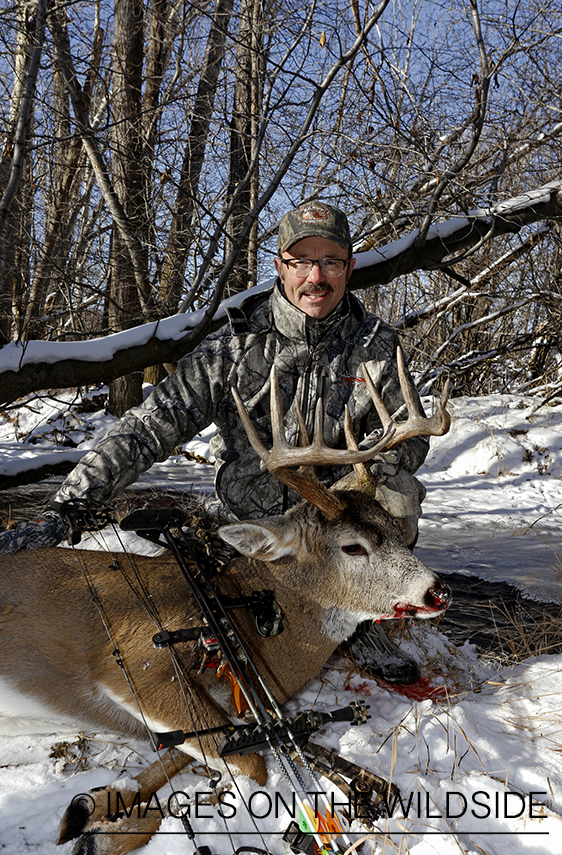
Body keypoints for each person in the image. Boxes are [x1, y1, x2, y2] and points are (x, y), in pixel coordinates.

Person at [0, 202, 428, 684]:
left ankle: (360, 614)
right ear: (280, 267)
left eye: (330, 261)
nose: (316, 276)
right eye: (302, 261)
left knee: (399, 488)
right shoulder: (234, 349)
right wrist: (70, 505)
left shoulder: (378, 348)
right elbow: (149, 427)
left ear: (349, 267)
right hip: (253, 524)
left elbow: (408, 445)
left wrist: (359, 474)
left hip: (336, 528)